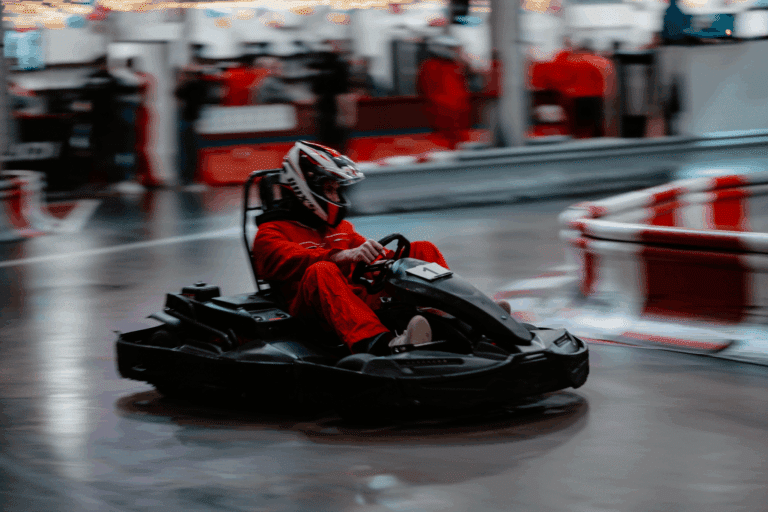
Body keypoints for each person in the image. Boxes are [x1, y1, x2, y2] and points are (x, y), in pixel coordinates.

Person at [252, 141, 451, 355]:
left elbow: (375, 259)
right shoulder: (270, 233)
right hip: (310, 314)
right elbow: (293, 260)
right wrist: (342, 256)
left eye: (337, 190)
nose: (337, 198)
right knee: (321, 270)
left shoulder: (342, 228)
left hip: (353, 300)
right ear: (303, 189)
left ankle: (455, 319)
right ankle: (382, 344)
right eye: (329, 190)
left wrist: (390, 261)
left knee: (421, 249)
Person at [417, 36, 472, 150]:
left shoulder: (454, 65)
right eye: (454, 49)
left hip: (458, 114)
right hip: (444, 114)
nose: (458, 52)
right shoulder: (430, 66)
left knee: (459, 144)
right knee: (447, 145)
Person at [82, 55, 121, 184]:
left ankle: (96, 179)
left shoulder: (90, 79)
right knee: (109, 151)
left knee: (95, 151)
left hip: (94, 121)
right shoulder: (112, 79)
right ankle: (110, 180)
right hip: (110, 120)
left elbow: (83, 99)